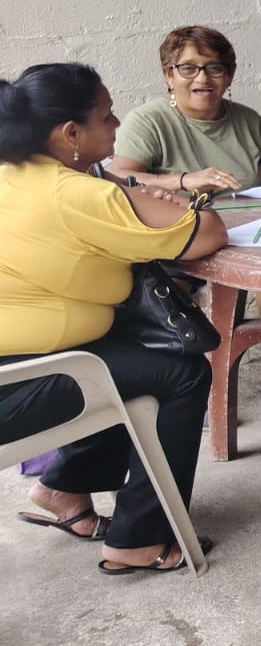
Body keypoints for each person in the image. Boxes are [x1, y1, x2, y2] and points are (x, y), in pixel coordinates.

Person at [1, 63, 228, 574]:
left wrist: (130, 194)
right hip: (13, 384)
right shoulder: (75, 194)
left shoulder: (15, 174)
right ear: (70, 133)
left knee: (130, 359)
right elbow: (208, 231)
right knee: (183, 371)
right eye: (106, 115)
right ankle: (139, 539)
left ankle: (65, 487)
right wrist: (148, 198)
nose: (117, 122)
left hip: (22, 362)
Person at [109, 26, 261, 419]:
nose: (202, 78)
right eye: (188, 68)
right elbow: (119, 176)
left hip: (249, 230)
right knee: (174, 288)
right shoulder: (150, 121)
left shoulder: (246, 119)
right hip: (183, 239)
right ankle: (197, 383)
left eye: (214, 68)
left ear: (229, 75)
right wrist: (185, 180)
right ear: (168, 74)